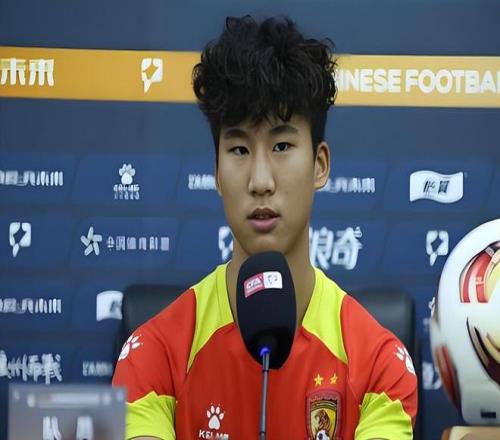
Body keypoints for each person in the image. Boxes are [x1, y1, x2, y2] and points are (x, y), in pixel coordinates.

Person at [112, 15, 418, 439]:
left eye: (281, 145)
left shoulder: (380, 366)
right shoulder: (155, 354)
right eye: (239, 149)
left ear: (320, 165)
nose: (260, 181)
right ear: (217, 173)